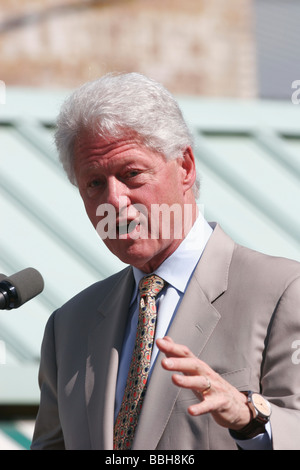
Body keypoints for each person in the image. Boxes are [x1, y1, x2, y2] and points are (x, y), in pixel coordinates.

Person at [31, 72, 300, 450]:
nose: (115, 201)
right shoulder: (68, 327)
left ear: (186, 167)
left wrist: (248, 420)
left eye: (132, 174)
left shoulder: (282, 292)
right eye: (94, 183)